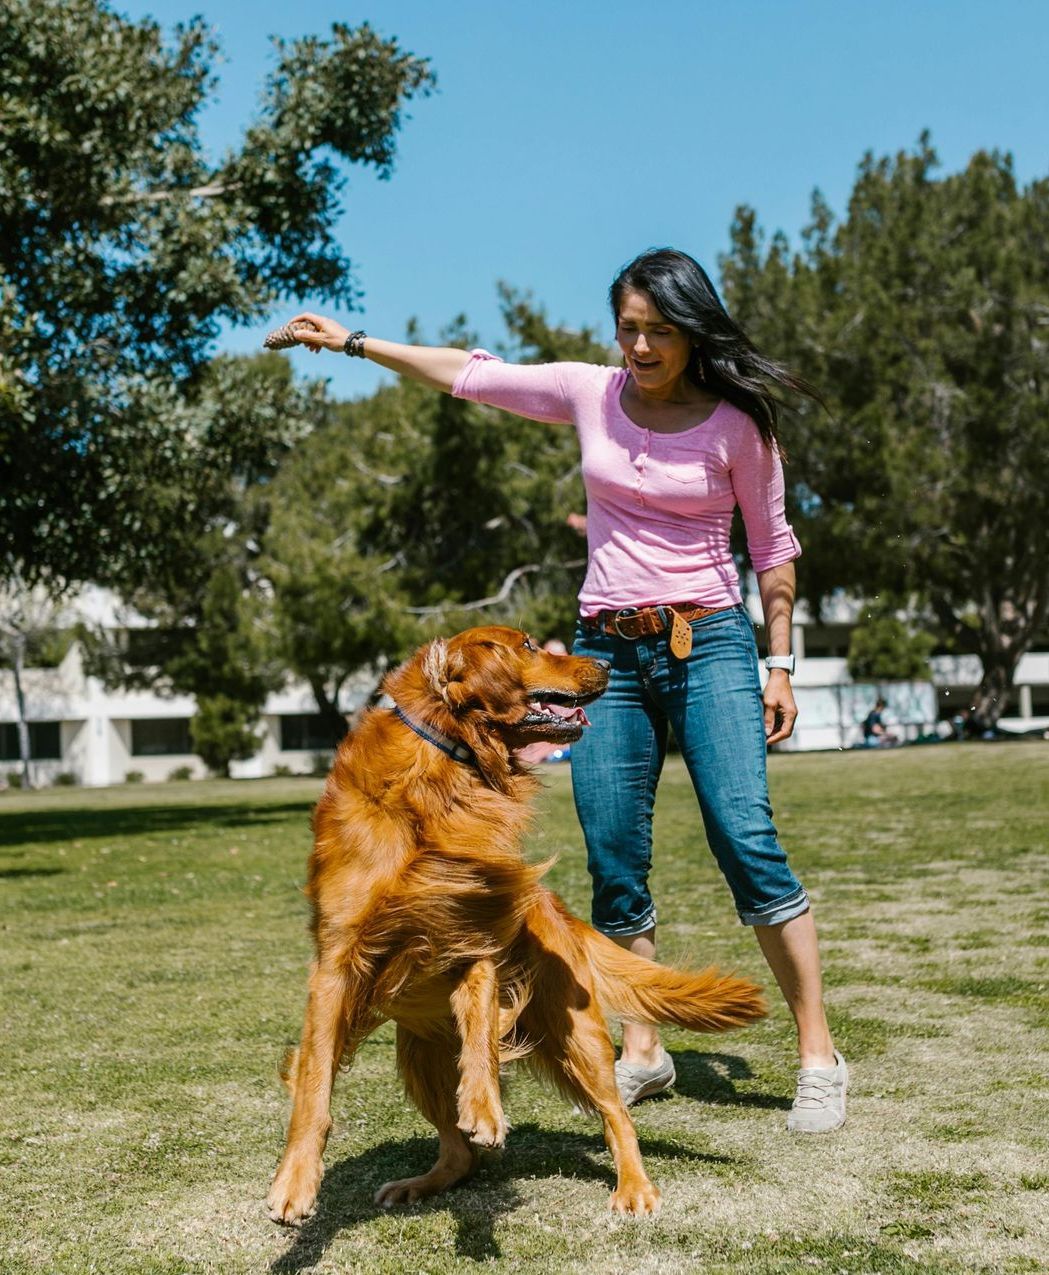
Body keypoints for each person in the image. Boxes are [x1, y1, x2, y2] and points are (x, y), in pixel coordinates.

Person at [281, 246, 847, 1133]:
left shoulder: (740, 424)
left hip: (711, 643)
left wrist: (779, 662)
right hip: (605, 652)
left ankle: (817, 1051)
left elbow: (772, 551)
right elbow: (473, 376)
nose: (640, 346)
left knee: (745, 838)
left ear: (693, 332)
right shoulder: (592, 391)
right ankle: (643, 1049)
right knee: (615, 856)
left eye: (659, 331)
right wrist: (354, 343)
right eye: (628, 328)